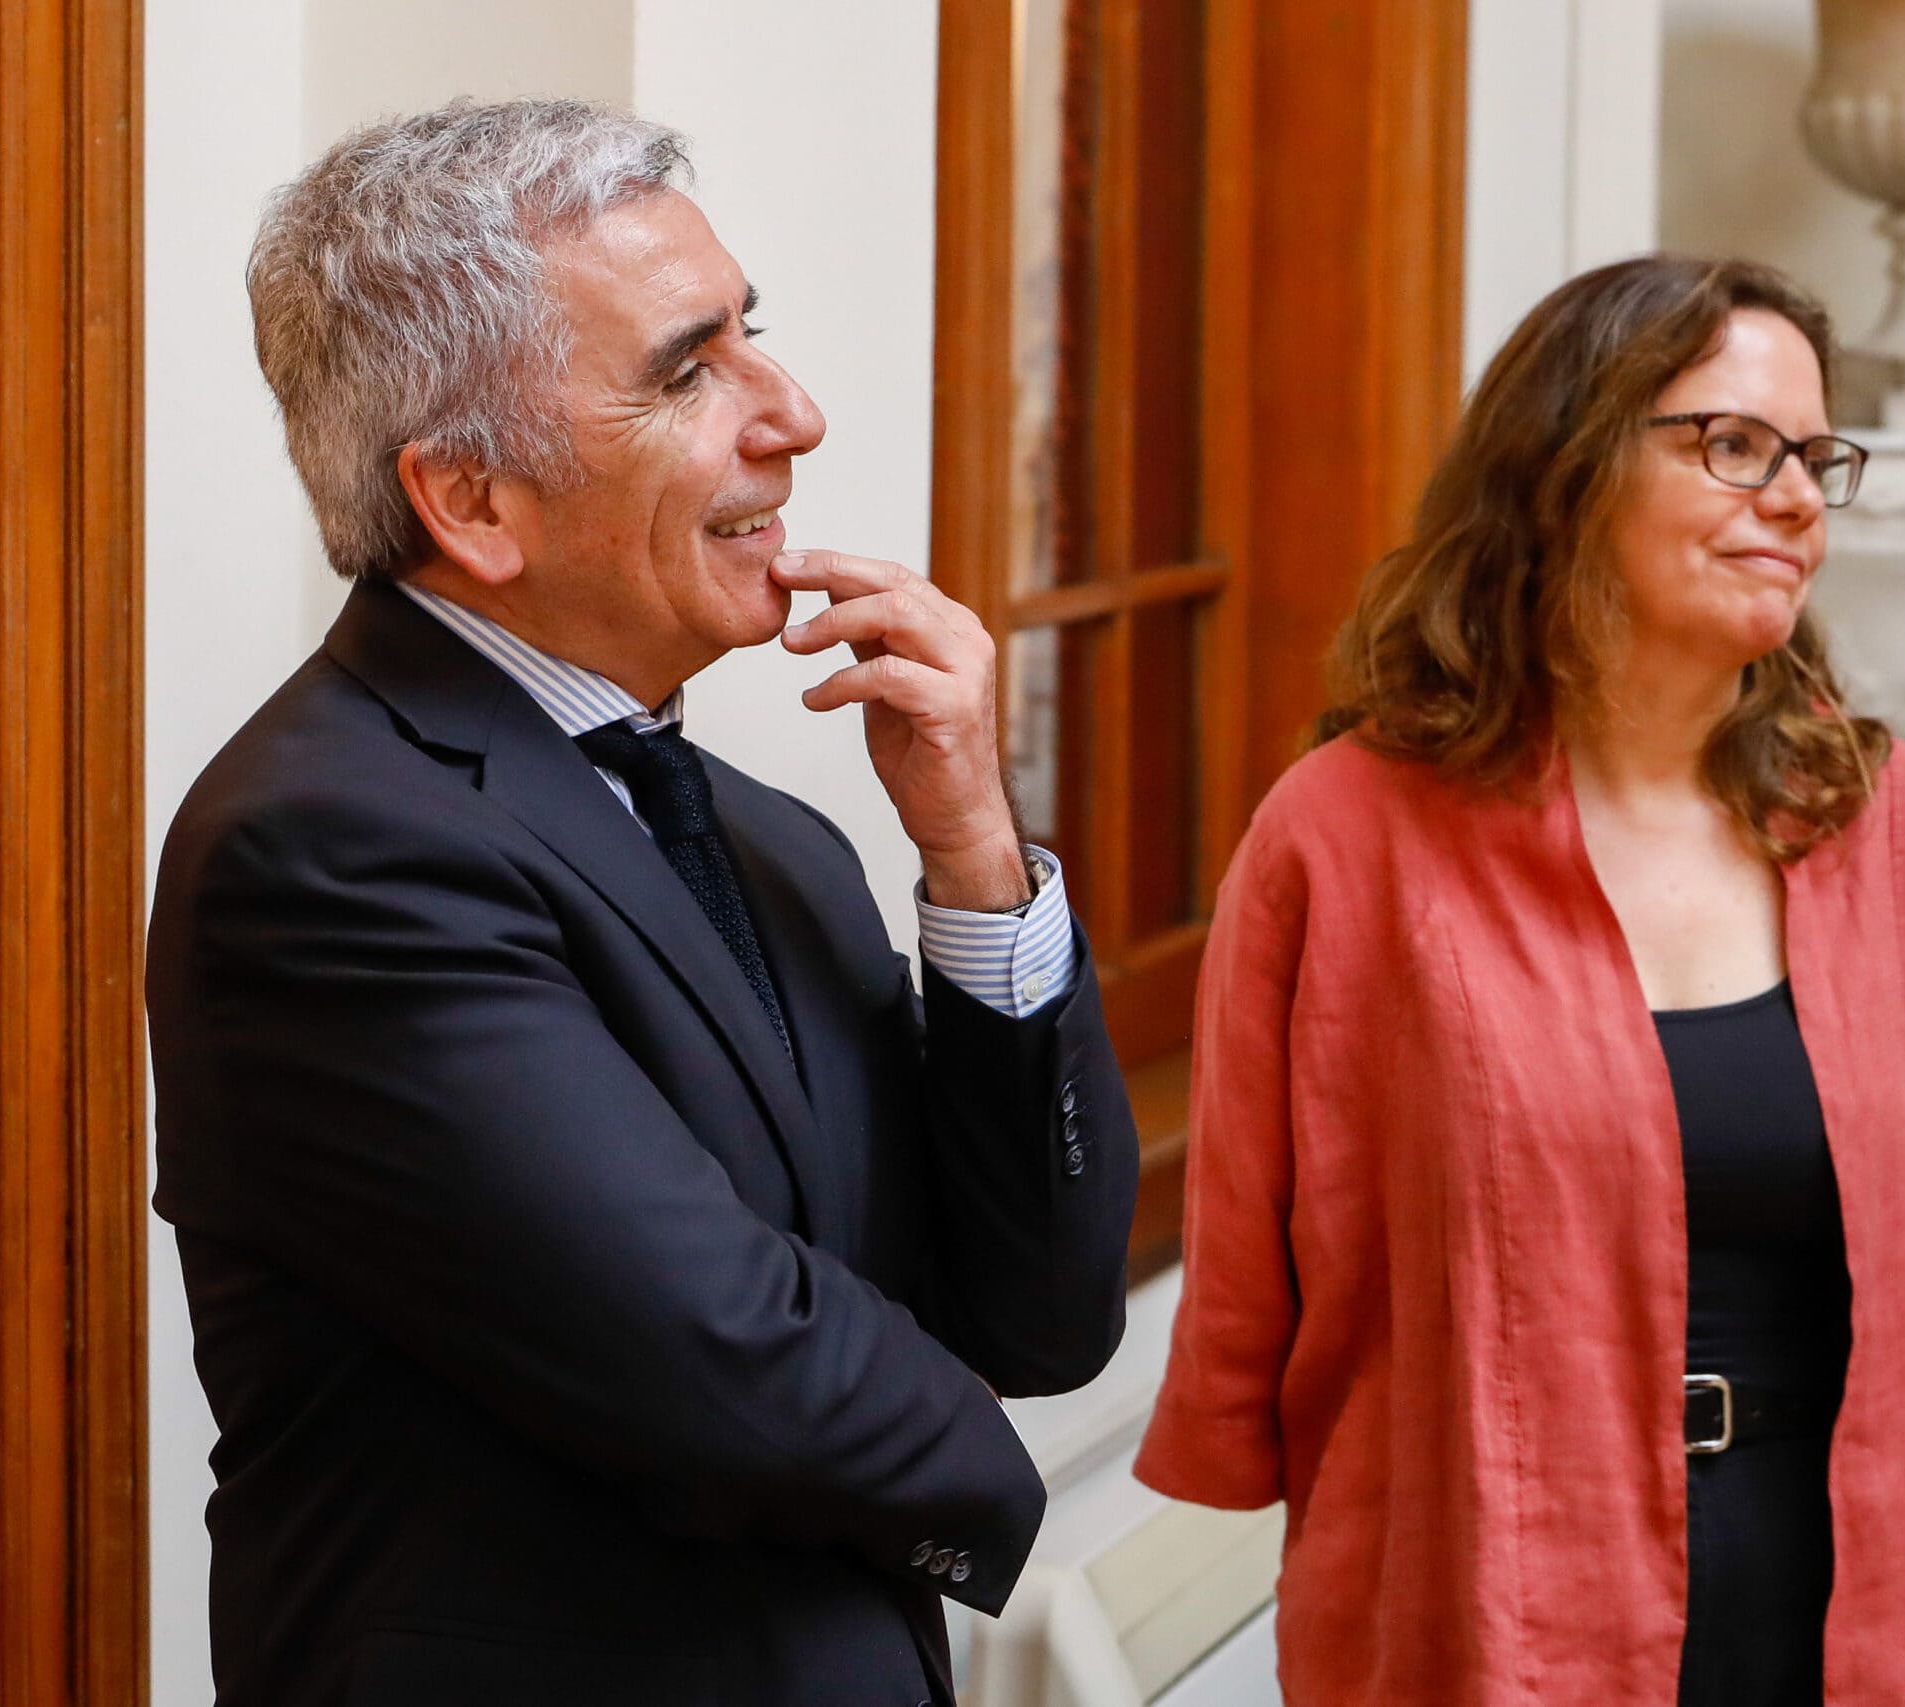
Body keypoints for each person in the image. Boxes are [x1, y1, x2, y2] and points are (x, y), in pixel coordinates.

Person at [147, 99, 1137, 1707]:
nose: (794, 414)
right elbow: (726, 1367)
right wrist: (1009, 1487)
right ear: (473, 501)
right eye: (687, 374)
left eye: (755, 332)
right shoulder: (326, 850)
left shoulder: (774, 843)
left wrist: (974, 860)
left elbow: (1038, 1312)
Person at [1133, 255, 1905, 1706]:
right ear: (1569, 465)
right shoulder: (1349, 836)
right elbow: (1253, 1247)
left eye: (1815, 459)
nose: (1796, 500)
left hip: (1841, 1590)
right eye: (1734, 445)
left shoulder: (1895, 825)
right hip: (1491, 1589)